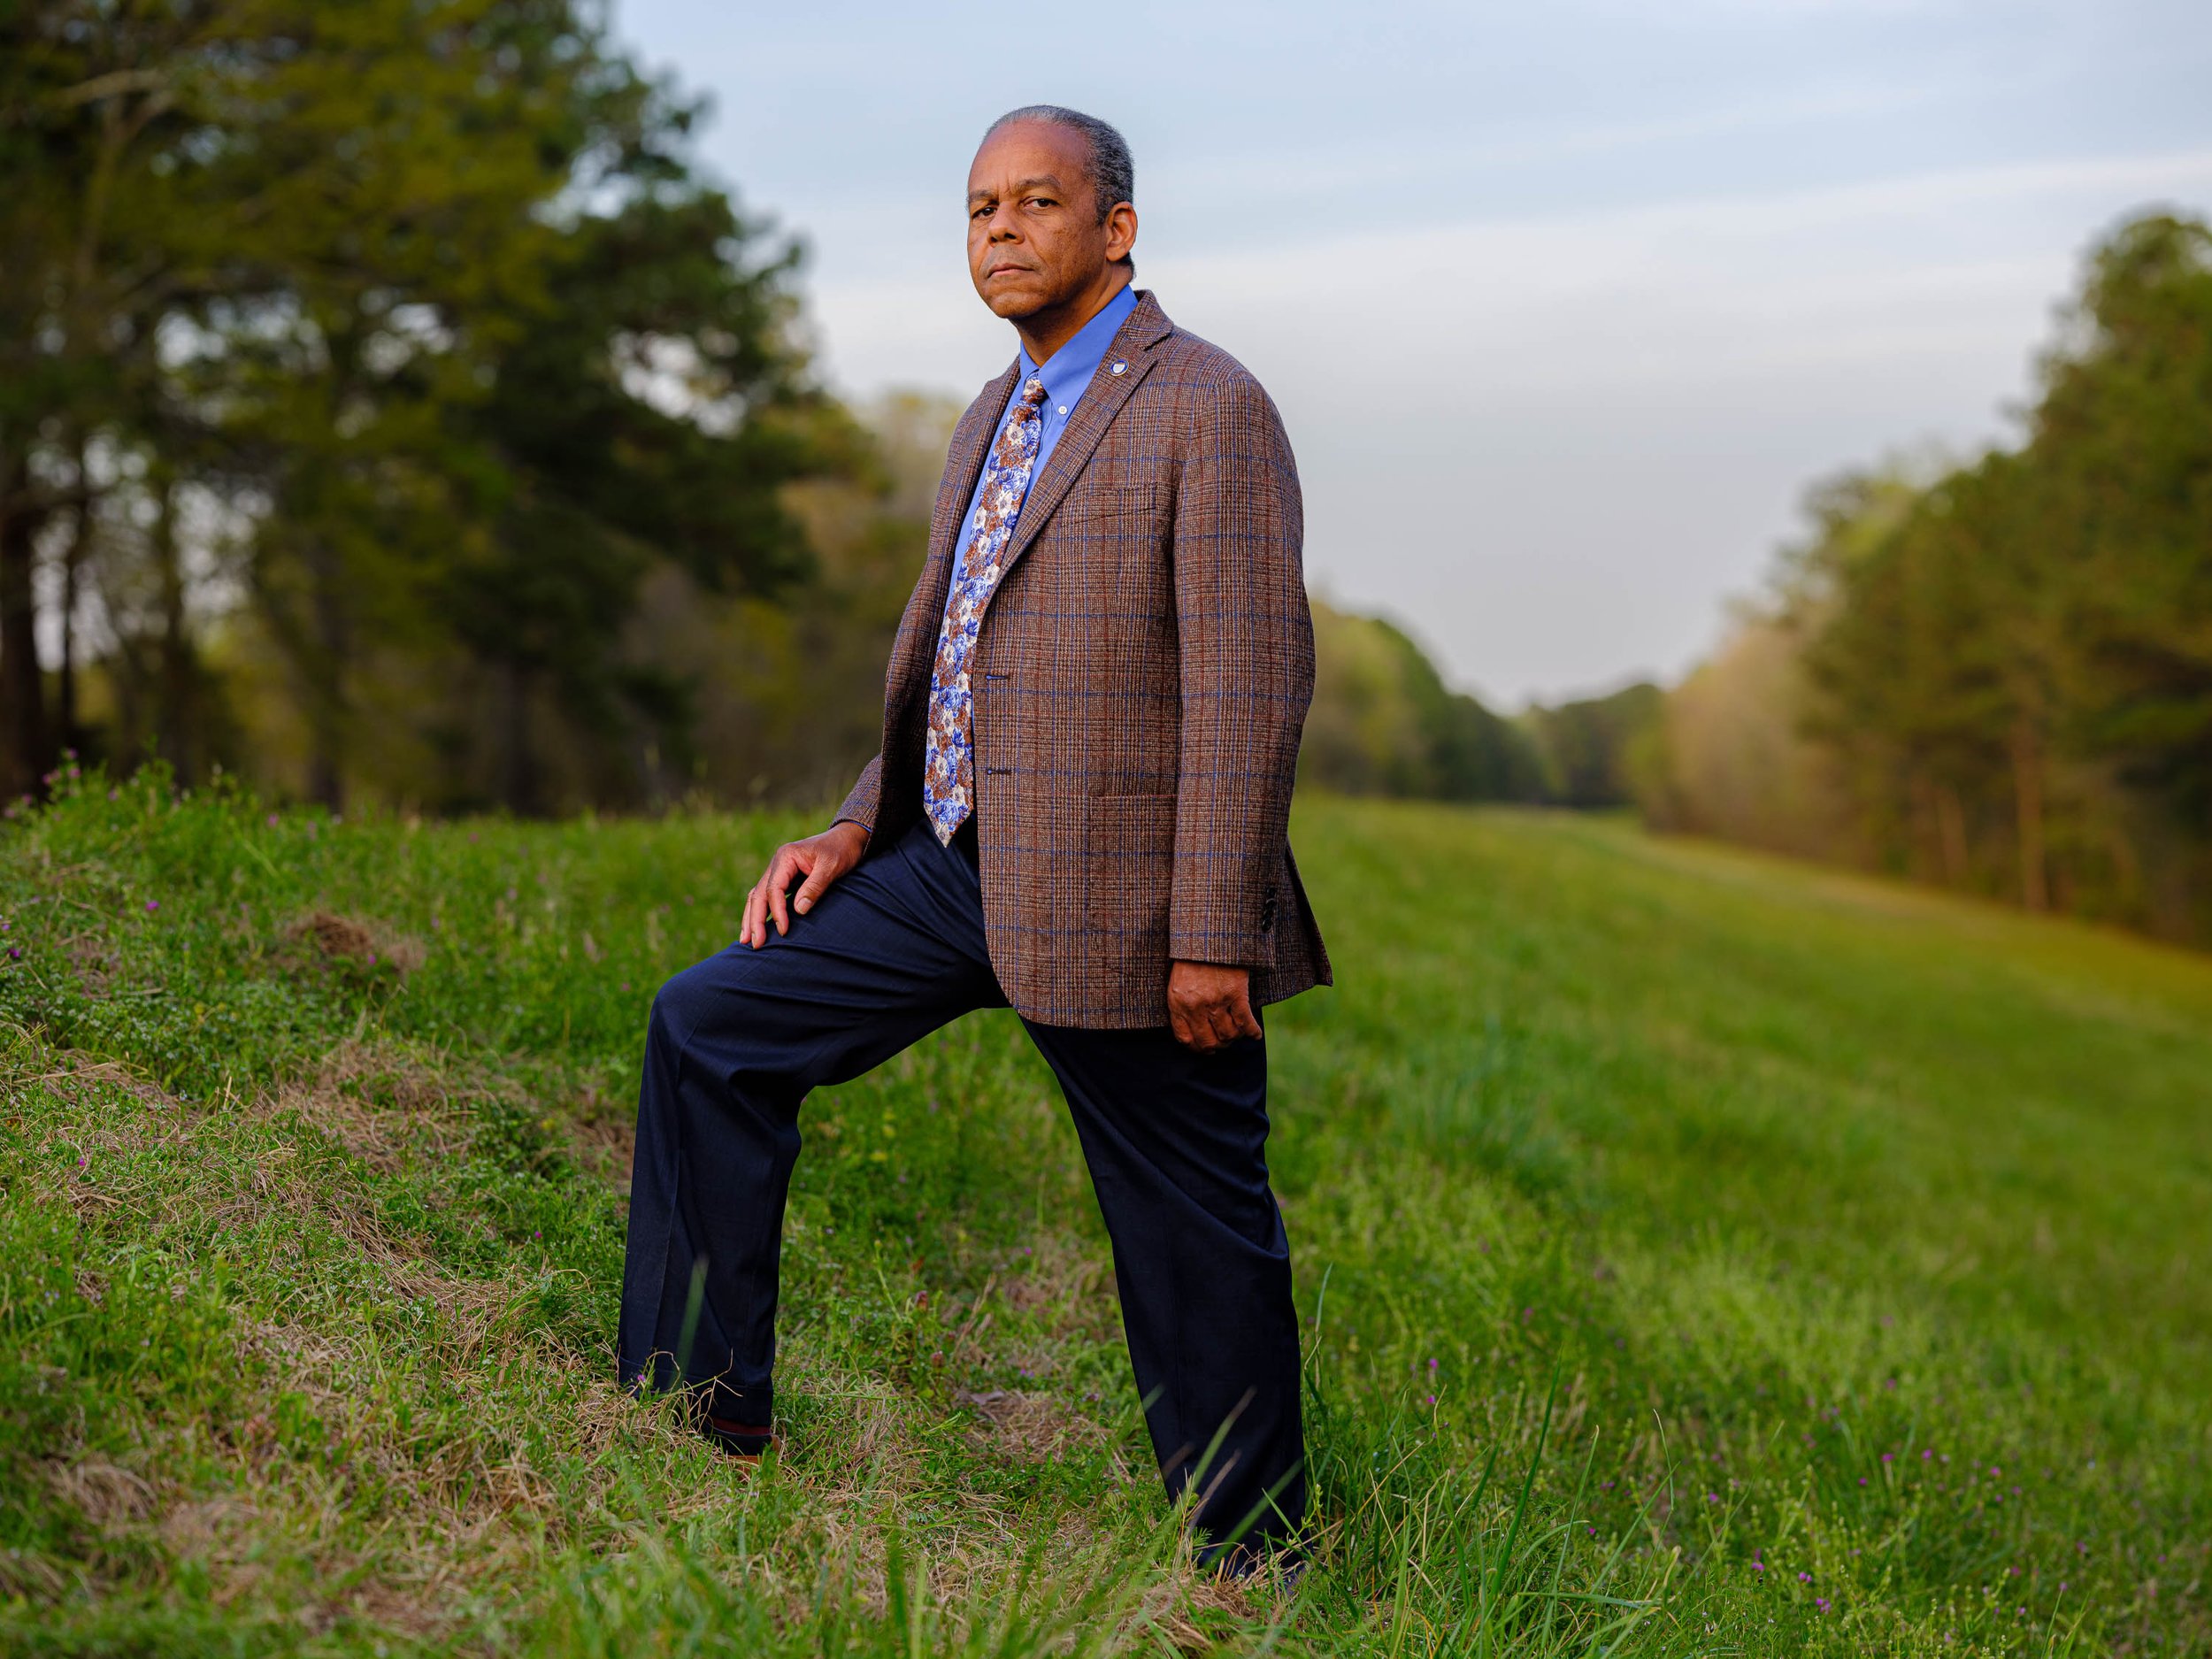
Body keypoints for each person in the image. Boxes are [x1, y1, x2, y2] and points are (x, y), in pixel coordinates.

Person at [617, 104, 1329, 1569]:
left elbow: (1251, 687)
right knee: (709, 1027)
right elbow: (946, 659)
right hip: (945, 867)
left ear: (1114, 230)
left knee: (1197, 1233)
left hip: (1132, 906)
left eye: (1035, 204)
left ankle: (1254, 1562)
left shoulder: (1208, 406)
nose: (999, 231)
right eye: (979, 208)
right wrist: (849, 827)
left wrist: (1213, 932)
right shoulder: (988, 416)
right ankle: (700, 1414)